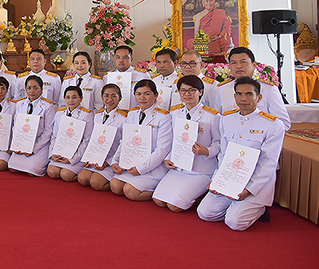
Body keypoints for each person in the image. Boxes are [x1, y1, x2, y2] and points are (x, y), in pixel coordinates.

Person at [197, 76, 286, 230]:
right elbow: (224, 154)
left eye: (249, 94)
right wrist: (218, 180)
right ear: (234, 96)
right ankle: (234, 208)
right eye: (239, 94)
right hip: (230, 179)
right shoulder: (227, 119)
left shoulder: (273, 125)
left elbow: (268, 162)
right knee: (205, 213)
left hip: (254, 182)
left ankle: (256, 209)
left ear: (259, 97)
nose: (243, 98)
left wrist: (250, 189)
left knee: (235, 223)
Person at [152, 75, 220, 212]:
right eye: (183, 91)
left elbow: (220, 143)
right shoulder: (175, 113)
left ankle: (200, 194)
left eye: (191, 90)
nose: (186, 94)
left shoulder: (213, 116)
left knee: (175, 206)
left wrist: (206, 151)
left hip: (201, 169)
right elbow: (173, 140)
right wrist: (168, 157)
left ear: (200, 92)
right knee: (158, 200)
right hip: (180, 166)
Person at [110, 80, 173, 201]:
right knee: (115, 186)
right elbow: (125, 141)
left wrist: (141, 169)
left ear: (156, 95)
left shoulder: (164, 117)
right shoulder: (132, 114)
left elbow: (162, 149)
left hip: (153, 166)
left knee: (131, 191)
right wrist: (115, 161)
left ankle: (159, 192)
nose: (142, 97)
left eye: (147, 94)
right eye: (138, 94)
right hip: (131, 163)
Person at [215, 47, 290, 130]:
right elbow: (217, 120)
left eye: (243, 62)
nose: (239, 66)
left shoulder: (269, 89)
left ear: (254, 65)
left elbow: (283, 123)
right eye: (234, 63)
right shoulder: (222, 89)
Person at [77, 84, 128, 191]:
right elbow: (93, 138)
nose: (110, 99)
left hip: (111, 159)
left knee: (96, 183)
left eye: (114, 96)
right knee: (82, 178)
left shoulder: (124, 118)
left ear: (120, 98)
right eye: (106, 95)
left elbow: (123, 144)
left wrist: (108, 162)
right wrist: (88, 158)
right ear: (102, 97)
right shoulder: (98, 115)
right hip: (96, 157)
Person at [8, 75, 56, 176]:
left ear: (42, 89)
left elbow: (48, 131)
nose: (32, 91)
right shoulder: (20, 104)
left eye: (35, 88)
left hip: (39, 144)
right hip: (23, 143)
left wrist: (34, 149)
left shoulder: (48, 106)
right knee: (12, 166)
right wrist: (16, 144)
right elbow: (16, 126)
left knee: (32, 170)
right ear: (25, 89)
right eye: (29, 88)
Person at [47, 86, 94, 181]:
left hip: (76, 154)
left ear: (81, 98)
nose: (71, 100)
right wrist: (52, 153)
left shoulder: (87, 115)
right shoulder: (60, 113)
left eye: (74, 97)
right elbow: (55, 136)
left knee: (66, 175)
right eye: (68, 97)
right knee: (52, 172)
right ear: (64, 98)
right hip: (60, 152)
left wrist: (73, 158)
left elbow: (86, 140)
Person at [102, 45, 151, 110]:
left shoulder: (142, 75)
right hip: (114, 114)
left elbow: (149, 96)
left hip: (135, 113)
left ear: (131, 59)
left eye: (125, 57)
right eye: (118, 57)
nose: (121, 60)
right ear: (114, 59)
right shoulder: (107, 76)